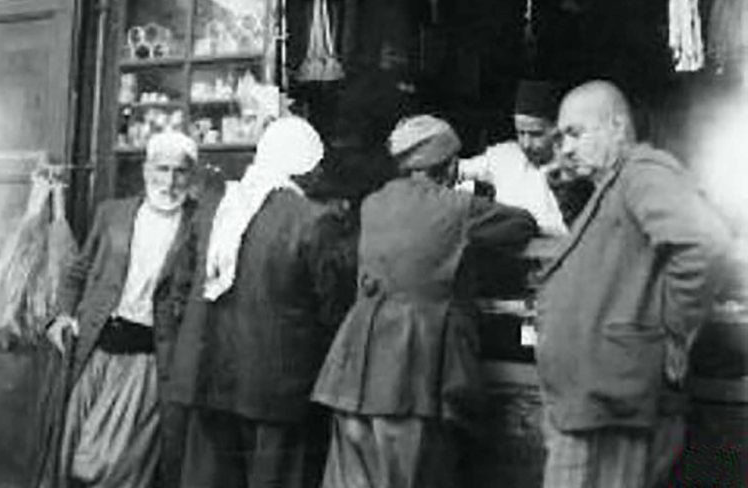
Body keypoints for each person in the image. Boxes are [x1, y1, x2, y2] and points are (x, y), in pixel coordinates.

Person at [312, 115, 538, 488]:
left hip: (352, 375)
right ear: (450, 167)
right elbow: (523, 223)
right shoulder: (458, 208)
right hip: (413, 378)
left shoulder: (373, 204)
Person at [536, 80, 731, 488]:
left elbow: (702, 241)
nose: (565, 148)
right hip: (593, 404)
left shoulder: (642, 171)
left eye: (575, 133)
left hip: (613, 404)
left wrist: (673, 333)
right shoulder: (614, 184)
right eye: (560, 138)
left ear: (617, 127)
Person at [166, 116, 354, 488]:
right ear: (303, 168)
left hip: (206, 380)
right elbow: (334, 312)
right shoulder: (314, 221)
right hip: (277, 392)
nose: (319, 174)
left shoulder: (215, 209)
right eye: (315, 165)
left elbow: (179, 291)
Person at [36, 131, 199, 488]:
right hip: (96, 352)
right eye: (162, 169)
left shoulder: (200, 224)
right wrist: (62, 314)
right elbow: (77, 272)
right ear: (146, 170)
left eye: (180, 171)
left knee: (110, 469)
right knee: (71, 456)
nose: (170, 181)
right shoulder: (113, 214)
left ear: (192, 175)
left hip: (149, 364)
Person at [459, 80, 592, 233]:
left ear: (558, 130)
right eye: (521, 133)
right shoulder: (504, 156)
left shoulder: (577, 171)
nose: (526, 144)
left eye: (536, 134)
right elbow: (452, 171)